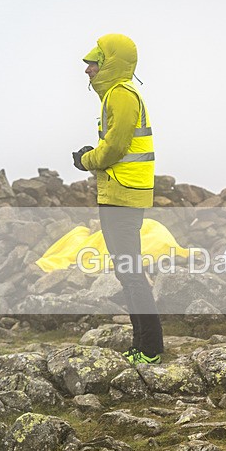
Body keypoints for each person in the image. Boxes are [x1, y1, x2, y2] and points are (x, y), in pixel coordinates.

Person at [72, 34, 164, 365]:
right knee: (127, 270)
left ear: (110, 63)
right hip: (119, 192)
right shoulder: (114, 95)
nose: (88, 70)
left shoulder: (121, 95)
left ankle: (150, 348)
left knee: (130, 270)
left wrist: (86, 160)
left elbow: (115, 147)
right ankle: (143, 344)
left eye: (93, 63)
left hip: (123, 195)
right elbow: (115, 143)